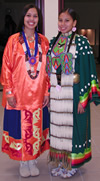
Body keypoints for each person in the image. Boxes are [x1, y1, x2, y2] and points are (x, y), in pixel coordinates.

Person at [46, 8, 100, 178]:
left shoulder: (82, 42)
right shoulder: (53, 41)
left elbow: (88, 70)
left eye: (67, 20)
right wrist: (48, 92)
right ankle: (62, 162)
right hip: (57, 93)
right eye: (60, 20)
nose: (63, 24)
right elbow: (48, 70)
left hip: (74, 91)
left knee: (74, 128)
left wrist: (82, 99)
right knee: (57, 128)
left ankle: (72, 164)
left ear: (74, 23)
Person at [1, 4, 50, 178]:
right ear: (23, 17)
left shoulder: (44, 41)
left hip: (38, 94)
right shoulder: (13, 40)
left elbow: (48, 69)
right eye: (28, 15)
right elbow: (6, 67)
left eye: (35, 16)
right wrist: (9, 93)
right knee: (21, 129)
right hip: (18, 94)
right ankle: (23, 160)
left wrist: (47, 92)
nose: (31, 19)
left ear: (39, 19)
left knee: (35, 128)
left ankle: (33, 160)